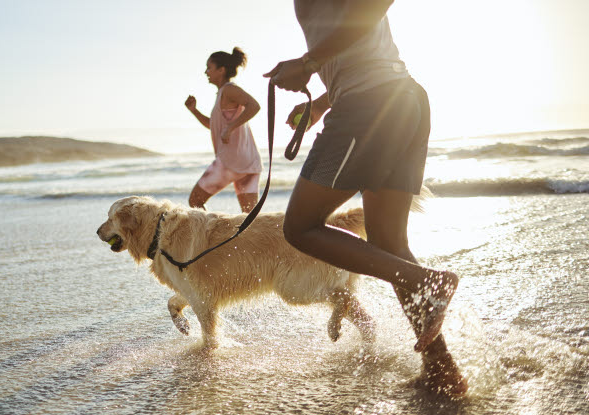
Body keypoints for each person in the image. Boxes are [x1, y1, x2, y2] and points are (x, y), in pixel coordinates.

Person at [263, 0, 467, 395]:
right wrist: (323, 102)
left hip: (369, 105)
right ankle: (443, 371)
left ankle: (429, 281)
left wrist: (307, 63)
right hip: (398, 98)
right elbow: (356, 44)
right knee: (389, 243)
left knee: (300, 227)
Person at [185, 47, 262, 213]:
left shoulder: (229, 90)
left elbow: (254, 106)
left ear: (221, 70)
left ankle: (213, 236)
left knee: (195, 202)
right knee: (249, 216)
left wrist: (230, 128)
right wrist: (194, 110)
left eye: (209, 67)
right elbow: (214, 126)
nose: (206, 72)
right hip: (249, 162)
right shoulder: (223, 93)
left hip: (230, 162)